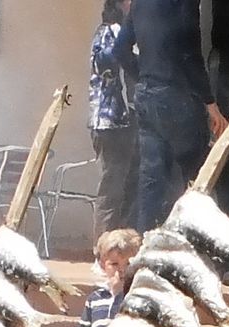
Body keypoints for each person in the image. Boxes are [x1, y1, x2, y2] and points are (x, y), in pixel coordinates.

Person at [120, 0, 227, 231]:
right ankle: (202, 241)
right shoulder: (184, 4)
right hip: (177, 95)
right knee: (197, 176)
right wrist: (210, 102)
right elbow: (191, 56)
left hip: (147, 94)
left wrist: (144, 76)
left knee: (151, 179)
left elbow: (119, 49)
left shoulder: (139, 3)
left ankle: (143, 243)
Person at [46, 228, 142, 327]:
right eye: (114, 264)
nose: (122, 270)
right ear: (103, 265)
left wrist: (118, 295)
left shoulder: (137, 298)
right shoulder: (95, 299)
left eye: (128, 264)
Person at [87, 0, 137, 236]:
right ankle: (102, 249)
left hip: (123, 121)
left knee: (125, 188)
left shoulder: (121, 32)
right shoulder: (110, 32)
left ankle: (116, 249)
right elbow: (108, 62)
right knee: (112, 188)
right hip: (110, 122)